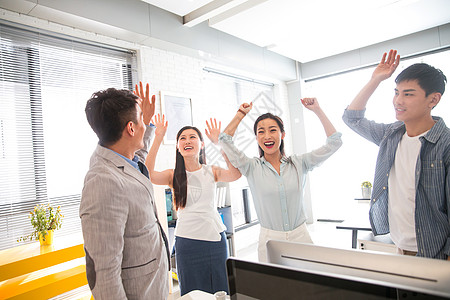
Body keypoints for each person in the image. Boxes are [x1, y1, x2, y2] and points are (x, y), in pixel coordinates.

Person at [342, 49, 449, 260]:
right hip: (400, 247)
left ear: (433, 99)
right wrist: (376, 79)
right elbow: (352, 118)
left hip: (435, 253)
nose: (398, 101)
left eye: (408, 94)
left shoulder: (445, 144)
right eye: (396, 92)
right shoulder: (391, 135)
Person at [217, 98, 343, 262]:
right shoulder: (251, 167)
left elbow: (335, 142)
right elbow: (224, 139)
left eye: (272, 130)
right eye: (261, 132)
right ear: (256, 138)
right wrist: (241, 114)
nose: (267, 136)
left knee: (307, 285)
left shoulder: (300, 163)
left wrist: (317, 110)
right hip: (270, 239)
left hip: (301, 236)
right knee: (273, 287)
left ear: (282, 134)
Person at [80, 82, 170, 299]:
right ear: (130, 128)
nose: (143, 124)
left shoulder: (122, 157)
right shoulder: (103, 182)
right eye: (140, 119)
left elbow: (138, 155)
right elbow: (103, 275)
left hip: (153, 286)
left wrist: (146, 122)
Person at [145, 114, 241, 296]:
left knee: (221, 292)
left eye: (192, 137)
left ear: (201, 144)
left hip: (214, 240)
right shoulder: (172, 175)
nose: (187, 141)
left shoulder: (211, 171)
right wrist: (157, 137)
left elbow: (235, 174)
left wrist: (220, 143)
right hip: (187, 243)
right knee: (192, 294)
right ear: (178, 147)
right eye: (182, 138)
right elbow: (147, 173)